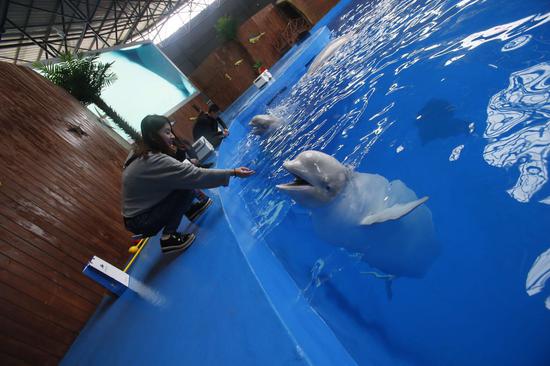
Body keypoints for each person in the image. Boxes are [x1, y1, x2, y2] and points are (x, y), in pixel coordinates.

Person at [122, 115, 254, 254]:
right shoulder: (153, 159)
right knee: (186, 187)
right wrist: (233, 172)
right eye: (167, 132)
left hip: (137, 216)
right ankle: (168, 237)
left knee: (179, 181)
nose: (172, 136)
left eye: (171, 131)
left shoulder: (139, 151)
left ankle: (190, 209)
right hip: (141, 221)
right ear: (153, 136)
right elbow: (195, 175)